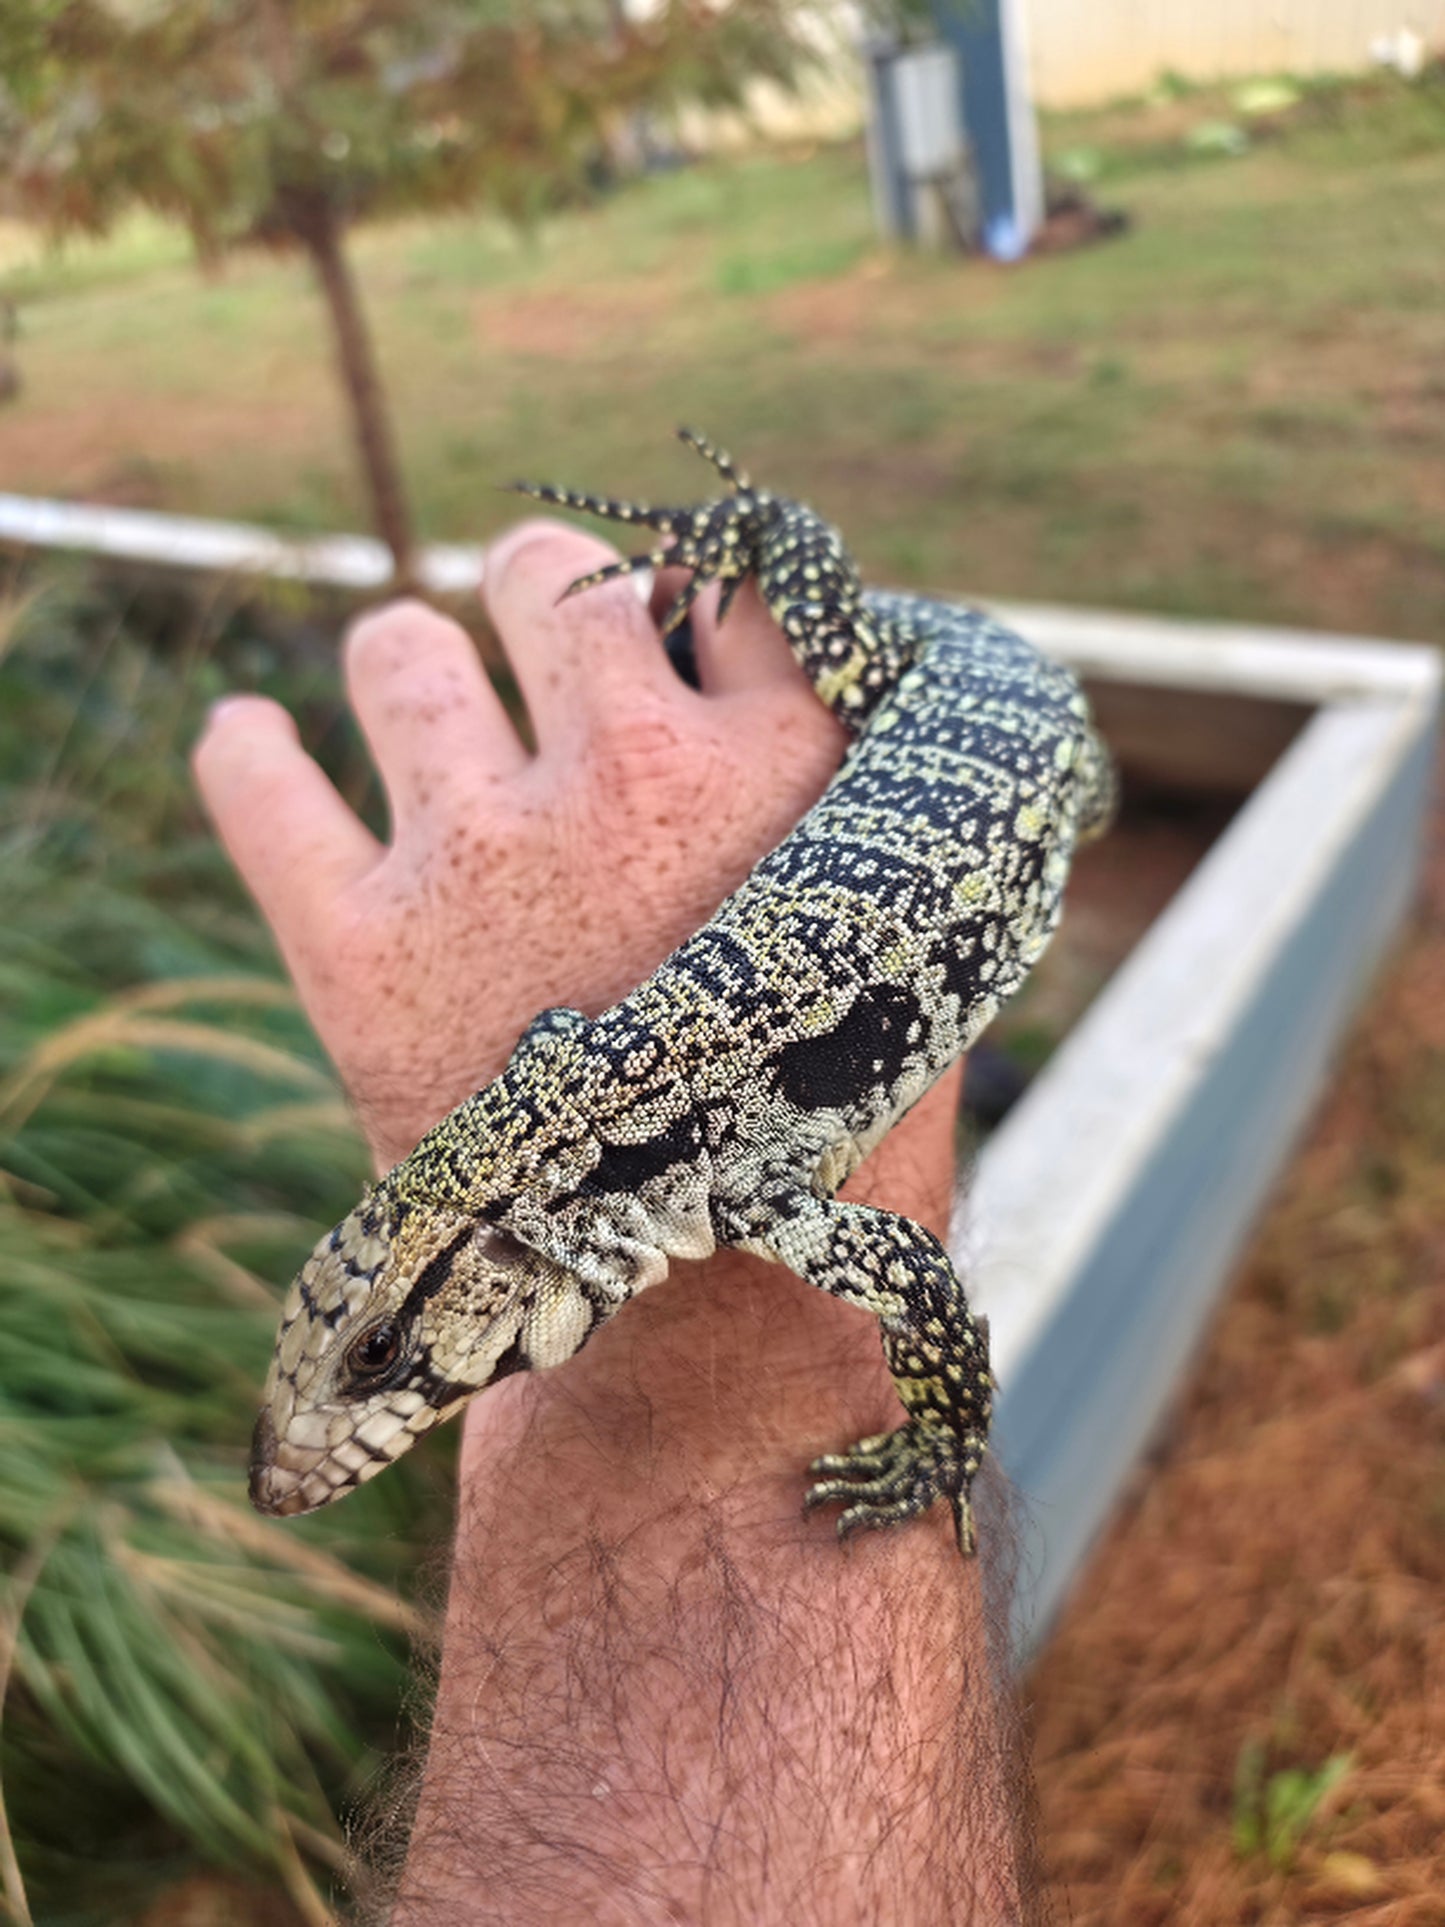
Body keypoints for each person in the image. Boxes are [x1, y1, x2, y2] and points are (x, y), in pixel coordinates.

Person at [194, 517, 1032, 1923]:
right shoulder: (604, 1122)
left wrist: (941, 1440)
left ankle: (767, 528)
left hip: (1001, 726)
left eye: (385, 1361)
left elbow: (913, 1277)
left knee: (810, 614)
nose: (326, 1439)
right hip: (946, 722)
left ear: (506, 1250)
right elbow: (556, 1042)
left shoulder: (742, 1179)